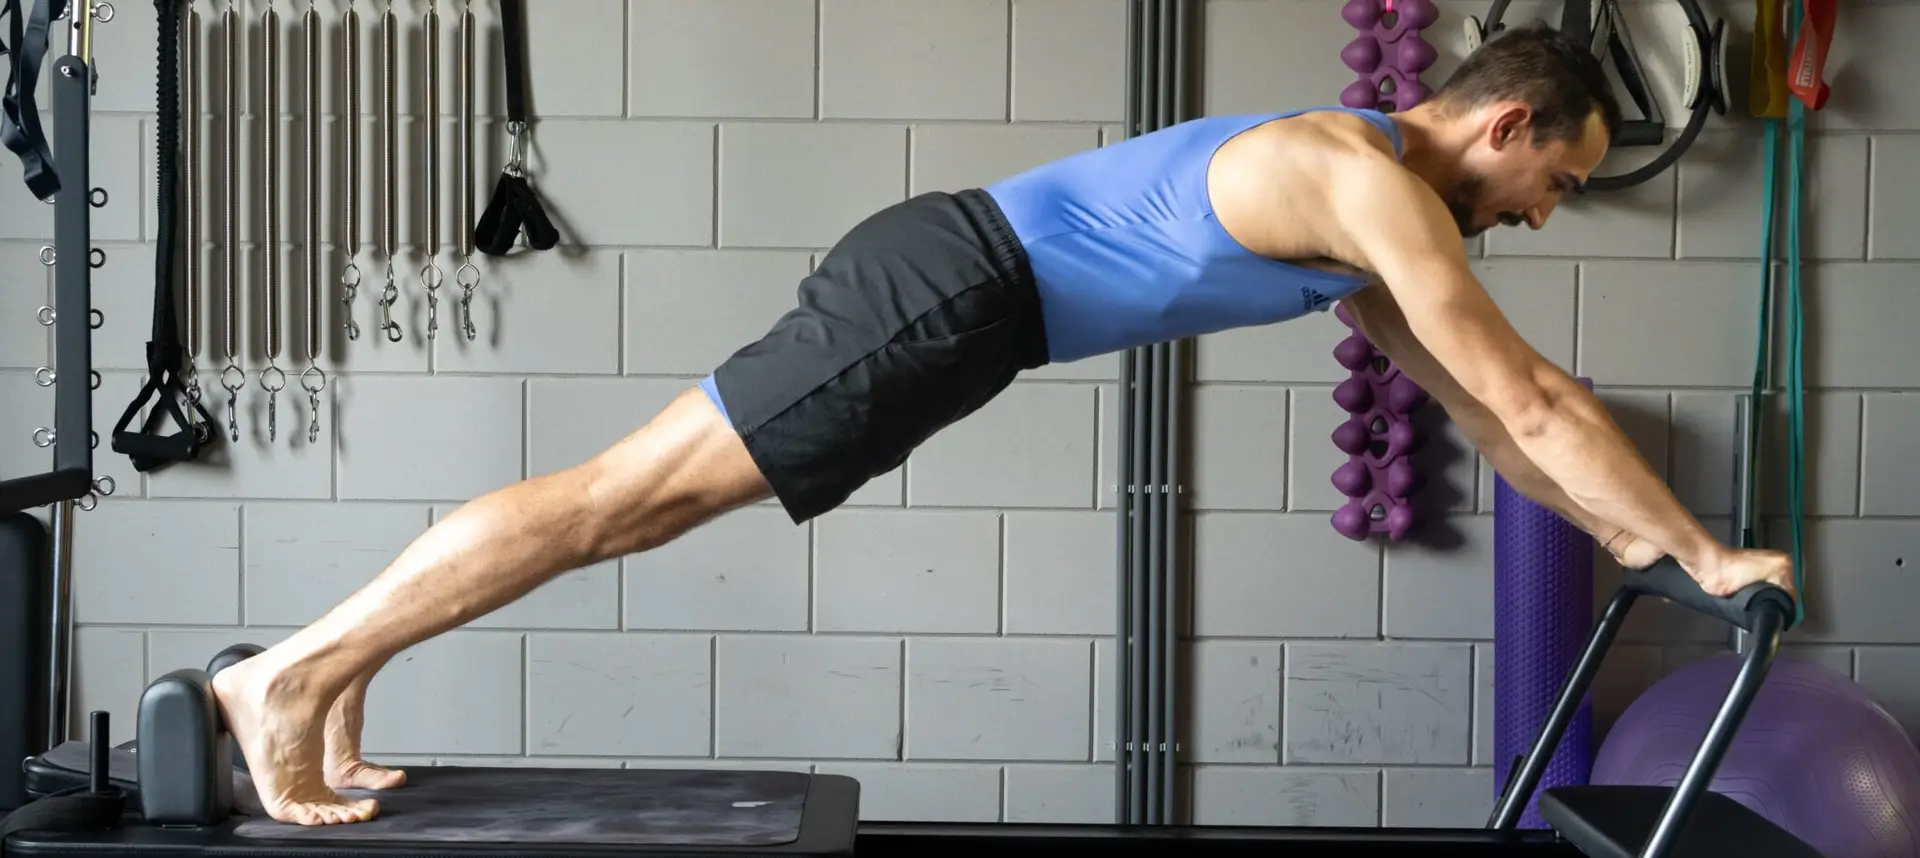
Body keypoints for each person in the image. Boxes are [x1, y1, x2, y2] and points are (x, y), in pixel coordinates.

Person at [210, 20, 1797, 825]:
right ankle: (287, 673)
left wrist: (1634, 533)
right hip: (948, 291)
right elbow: (1537, 393)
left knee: (624, 499)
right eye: (1556, 182)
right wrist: (1711, 552)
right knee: (620, 500)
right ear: (1506, 122)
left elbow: (1494, 423)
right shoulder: (1367, 182)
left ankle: (331, 678)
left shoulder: (1367, 206)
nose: (1540, 213)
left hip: (957, 297)